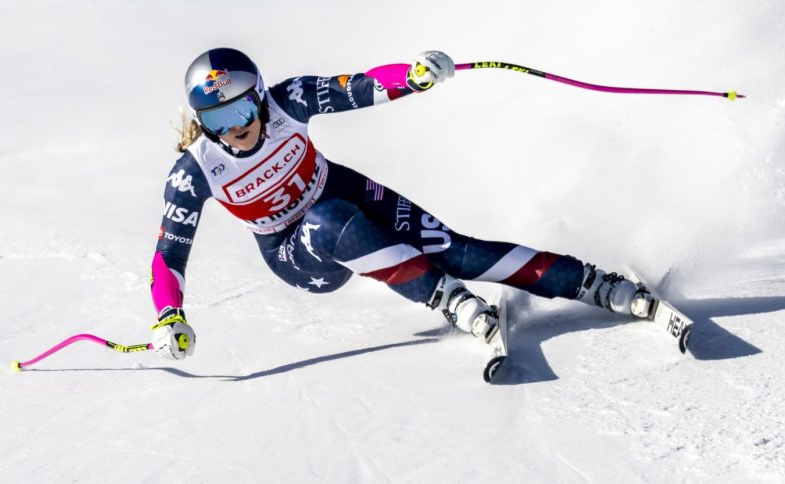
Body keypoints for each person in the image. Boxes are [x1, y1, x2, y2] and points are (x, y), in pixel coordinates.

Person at [150, 47, 655, 360]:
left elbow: (359, 87)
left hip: (340, 188)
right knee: (326, 222)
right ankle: (446, 299)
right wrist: (169, 315)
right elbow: (169, 254)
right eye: (215, 121)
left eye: (239, 108)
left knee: (457, 250)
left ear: (259, 96)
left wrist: (412, 77)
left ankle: (593, 283)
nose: (234, 129)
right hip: (296, 253)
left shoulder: (290, 101)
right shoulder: (195, 172)